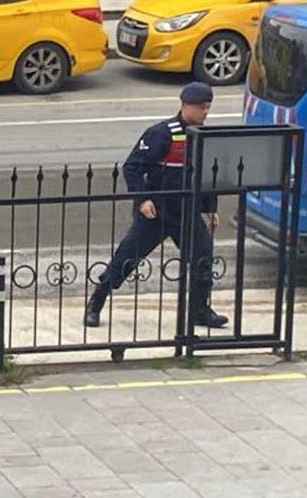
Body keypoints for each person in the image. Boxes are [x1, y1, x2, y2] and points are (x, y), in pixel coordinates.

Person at [86, 82, 226, 330]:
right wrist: (143, 199)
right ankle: (96, 303)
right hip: (157, 213)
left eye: (208, 107)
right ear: (185, 105)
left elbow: (205, 174)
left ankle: (200, 310)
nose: (205, 112)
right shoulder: (161, 134)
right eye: (201, 107)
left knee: (203, 259)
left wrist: (210, 207)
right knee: (126, 259)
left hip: (187, 212)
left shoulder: (201, 135)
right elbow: (132, 168)